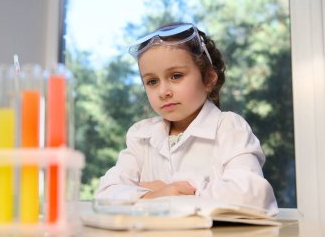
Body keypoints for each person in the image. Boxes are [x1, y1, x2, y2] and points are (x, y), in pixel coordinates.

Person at [94, 22, 278, 214]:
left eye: (176, 76)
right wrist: (155, 195)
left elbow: (252, 197)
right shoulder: (141, 136)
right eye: (152, 81)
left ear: (208, 79)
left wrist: (162, 190)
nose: (163, 92)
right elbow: (104, 196)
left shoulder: (229, 127)